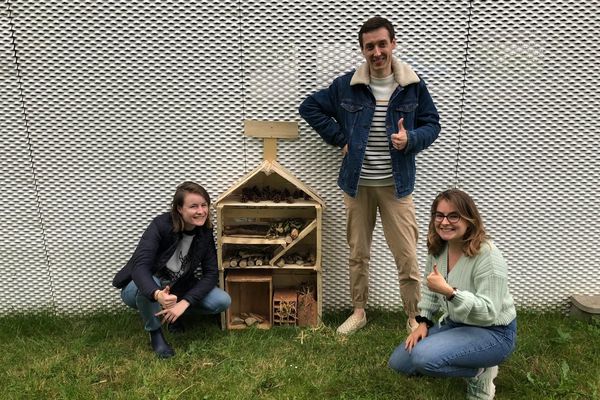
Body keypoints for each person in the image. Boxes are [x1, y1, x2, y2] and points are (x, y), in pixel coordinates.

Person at [299, 16, 441, 334]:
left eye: (381, 44)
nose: (376, 52)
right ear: (362, 50)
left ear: (393, 43)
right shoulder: (347, 86)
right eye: (369, 46)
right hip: (357, 186)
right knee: (358, 254)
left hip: (396, 186)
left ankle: (414, 316)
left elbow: (433, 124)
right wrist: (340, 138)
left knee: (406, 255)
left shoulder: (412, 86)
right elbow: (309, 107)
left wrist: (411, 140)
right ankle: (359, 311)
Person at [387, 189, 517, 399]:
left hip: (494, 332)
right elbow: (430, 291)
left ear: (469, 219)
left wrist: (450, 293)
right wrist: (423, 322)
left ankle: (480, 371)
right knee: (399, 363)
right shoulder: (439, 248)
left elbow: (489, 313)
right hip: (457, 324)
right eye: (439, 215)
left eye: (453, 215)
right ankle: (466, 359)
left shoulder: (489, 256)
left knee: (423, 358)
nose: (445, 222)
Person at [112, 181, 231, 358]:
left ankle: (174, 315)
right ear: (179, 209)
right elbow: (140, 267)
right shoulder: (160, 225)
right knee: (148, 287)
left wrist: (184, 303)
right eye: (193, 206)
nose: (201, 211)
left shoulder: (204, 232)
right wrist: (157, 294)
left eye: (204, 205)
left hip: (179, 287)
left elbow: (211, 273)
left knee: (222, 301)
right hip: (142, 285)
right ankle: (155, 333)